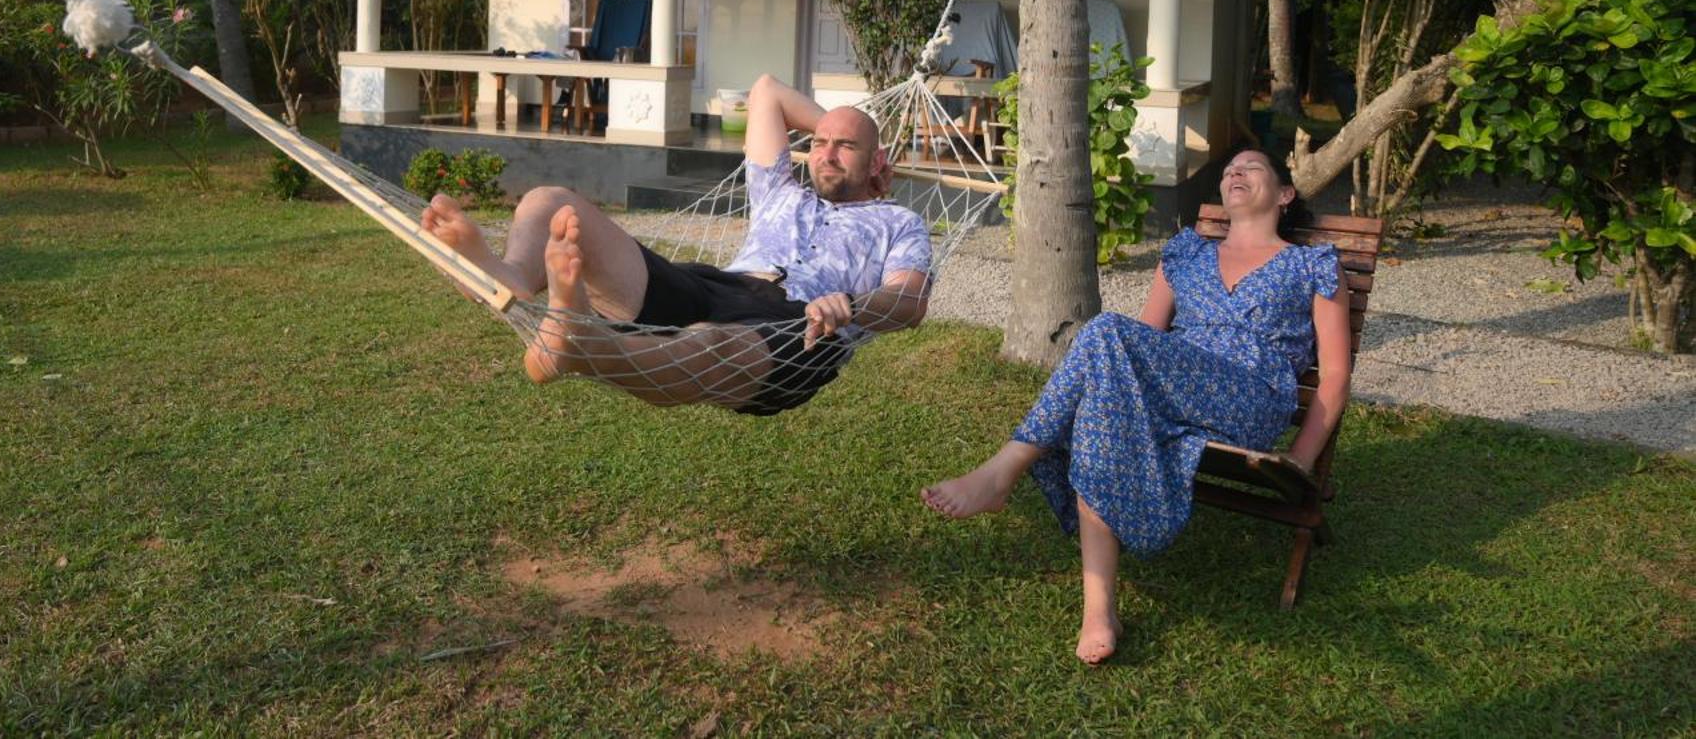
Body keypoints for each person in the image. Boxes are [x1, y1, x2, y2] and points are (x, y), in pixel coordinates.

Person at [921, 147, 1350, 665]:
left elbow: (1334, 378)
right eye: (1229, 168)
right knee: (1102, 407)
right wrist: (1120, 386)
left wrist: (1302, 459)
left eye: (1252, 167)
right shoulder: (1186, 255)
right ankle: (1099, 611)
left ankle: (1005, 469)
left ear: (1283, 196)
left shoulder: (1311, 266)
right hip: (1172, 387)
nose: (1235, 172)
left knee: (1104, 330)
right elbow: (1145, 338)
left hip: (1249, 397)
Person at [418, 73, 933, 415]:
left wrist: (852, 305)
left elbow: (909, 302)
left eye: (846, 147)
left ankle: (586, 346)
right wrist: (842, 123)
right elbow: (766, 91)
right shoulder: (780, 189)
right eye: (819, 143)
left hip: (803, 328)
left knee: (709, 343)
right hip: (719, 284)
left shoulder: (898, 221)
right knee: (552, 200)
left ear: (877, 161)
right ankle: (510, 275)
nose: (826, 154)